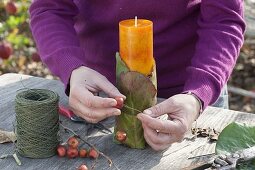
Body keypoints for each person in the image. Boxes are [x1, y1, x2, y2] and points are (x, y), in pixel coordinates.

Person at [29, 0, 245, 151]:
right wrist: (72, 68)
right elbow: (49, 8)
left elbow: (224, 19)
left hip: (188, 96)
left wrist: (198, 94)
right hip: (97, 94)